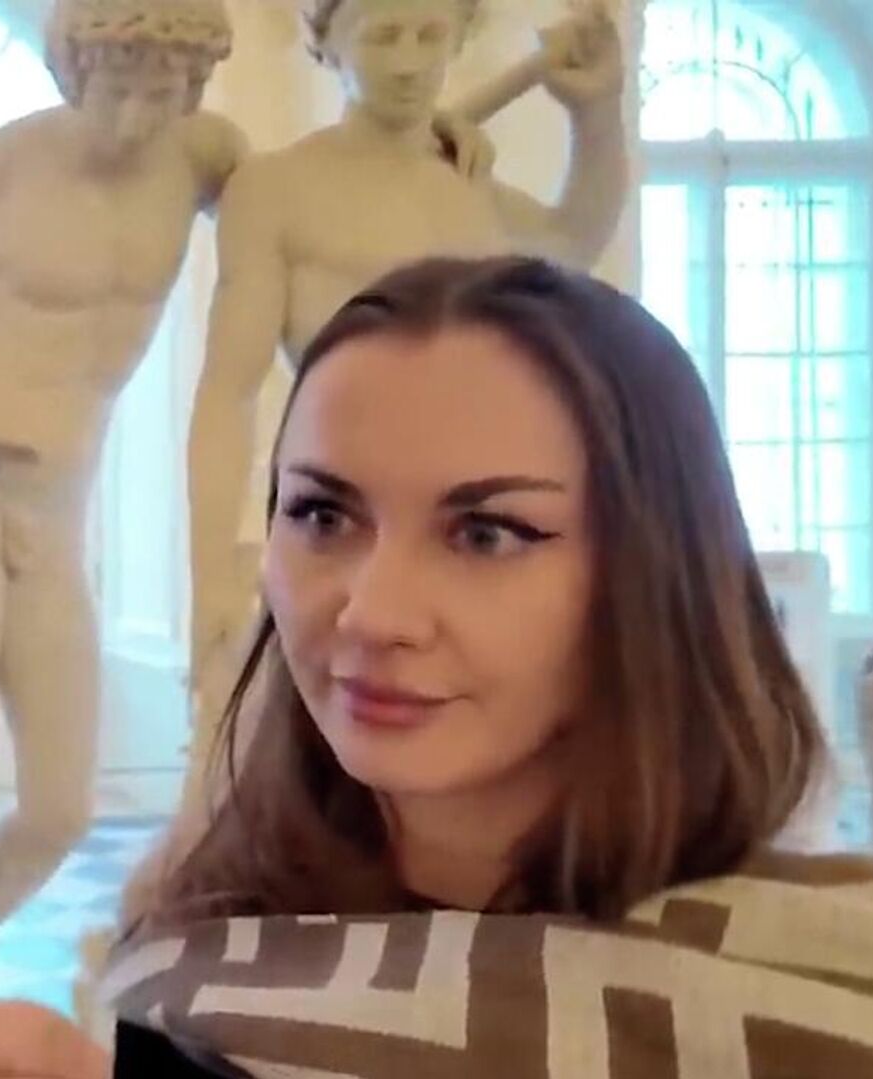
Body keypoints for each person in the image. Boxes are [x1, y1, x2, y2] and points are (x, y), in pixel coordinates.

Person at [0, 256, 873, 1078]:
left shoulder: (832, 990)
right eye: (322, 514)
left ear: (654, 573)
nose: (371, 613)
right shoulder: (192, 965)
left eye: (486, 533)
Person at [0, 0, 487, 928]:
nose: (137, 113)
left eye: (164, 91)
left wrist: (435, 129)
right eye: (117, 85)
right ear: (72, 68)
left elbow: (328, 183)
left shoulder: (203, 158)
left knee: (59, 808)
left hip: (54, 502)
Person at [187, 0, 630, 746]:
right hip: (342, 510)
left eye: (430, 36)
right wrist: (209, 579)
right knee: (292, 749)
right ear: (330, 45)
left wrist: (597, 116)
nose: (409, 62)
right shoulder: (278, 188)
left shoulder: (463, 183)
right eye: (384, 36)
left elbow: (572, 241)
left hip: (473, 510)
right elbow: (226, 393)